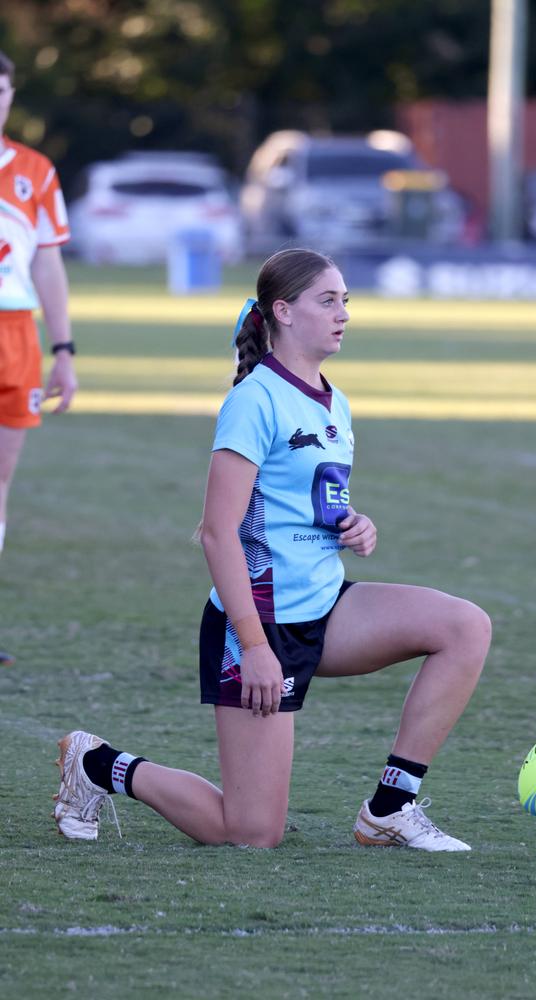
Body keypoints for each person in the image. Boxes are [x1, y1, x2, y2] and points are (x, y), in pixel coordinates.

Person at [53, 248, 491, 851]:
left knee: (464, 627)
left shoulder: (335, 402)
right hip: (257, 625)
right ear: (282, 311)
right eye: (328, 301)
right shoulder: (254, 400)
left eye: (346, 301)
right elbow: (217, 530)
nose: (343, 314)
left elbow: (317, 504)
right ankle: (99, 765)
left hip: (325, 606)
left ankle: (390, 808)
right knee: (252, 833)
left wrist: (355, 524)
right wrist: (256, 646)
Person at [0, 51, 77, 665]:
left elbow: (48, 263)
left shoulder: (34, 171)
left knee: (0, 480)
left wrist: (64, 349)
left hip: (17, 335)